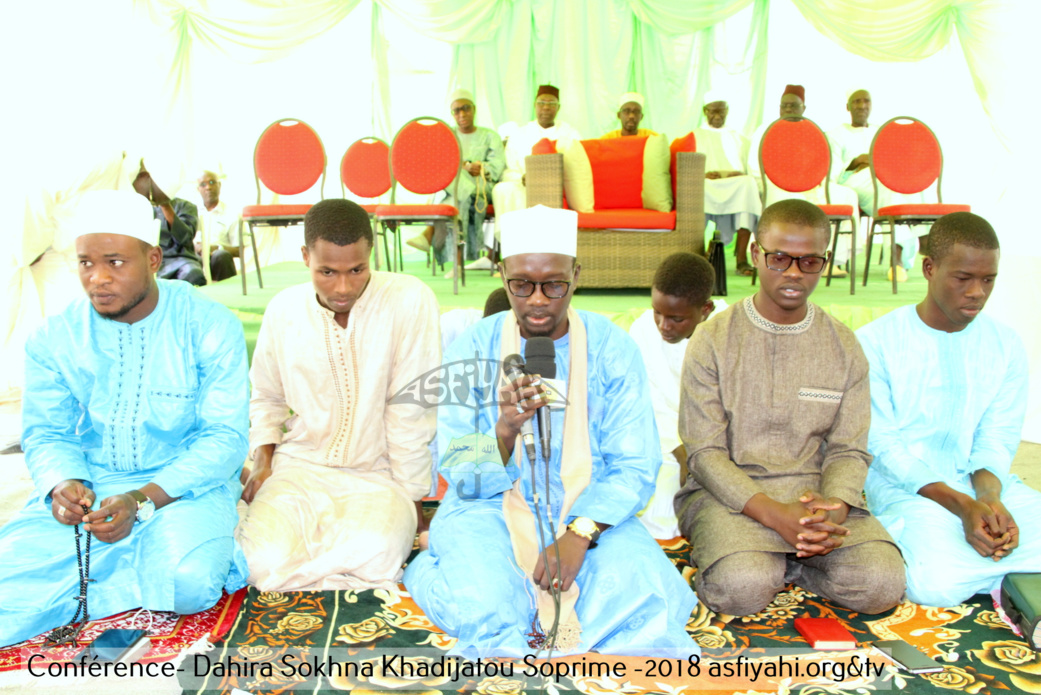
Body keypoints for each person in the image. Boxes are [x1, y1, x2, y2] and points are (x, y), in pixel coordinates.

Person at [404, 205, 698, 659]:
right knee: (490, 609)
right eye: (521, 284)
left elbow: (634, 465)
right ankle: (427, 564)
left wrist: (579, 533)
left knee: (639, 599)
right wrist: (504, 430)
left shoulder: (612, 349)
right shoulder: (474, 347)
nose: (537, 300)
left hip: (591, 507)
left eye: (553, 285)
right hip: (489, 509)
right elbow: (462, 476)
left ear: (576, 276)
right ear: (502, 275)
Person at [0, 189, 249, 647]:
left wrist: (142, 500)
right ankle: (120, 565)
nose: (97, 279)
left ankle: (102, 571)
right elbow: (47, 432)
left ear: (153, 258)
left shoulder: (208, 325)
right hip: (94, 484)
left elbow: (224, 438)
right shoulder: (54, 338)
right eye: (85, 263)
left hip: (181, 488)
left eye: (115, 262)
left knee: (188, 583)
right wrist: (63, 486)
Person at [675, 199, 904, 617]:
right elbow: (704, 453)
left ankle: (793, 566)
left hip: (815, 497)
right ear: (755, 254)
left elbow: (848, 449)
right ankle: (769, 562)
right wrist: (775, 514)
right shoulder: (712, 340)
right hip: (732, 497)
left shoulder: (843, 346)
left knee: (882, 584)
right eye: (779, 258)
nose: (794, 273)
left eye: (809, 261)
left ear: (825, 261)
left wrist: (831, 507)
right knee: (741, 588)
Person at [237, 199, 440, 592]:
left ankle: (308, 568)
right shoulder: (284, 310)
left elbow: (411, 413)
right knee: (254, 559)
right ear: (304, 257)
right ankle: (322, 568)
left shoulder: (409, 300)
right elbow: (265, 396)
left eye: (356, 270)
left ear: (371, 254)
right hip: (299, 467)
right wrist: (264, 461)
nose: (343, 287)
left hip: (379, 474)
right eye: (326, 272)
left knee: (378, 550)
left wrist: (412, 504)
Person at [857, 212, 1040, 607]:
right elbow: (884, 448)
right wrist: (962, 507)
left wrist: (990, 502)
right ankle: (1009, 574)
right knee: (935, 583)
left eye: (988, 280)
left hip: (985, 485)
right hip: (910, 491)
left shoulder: (1005, 344)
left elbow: (998, 435)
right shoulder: (876, 342)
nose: (977, 291)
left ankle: (992, 569)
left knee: (962, 562)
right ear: (929, 267)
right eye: (963, 278)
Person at [629, 253, 724, 539]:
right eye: (657, 312)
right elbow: (644, 401)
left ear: (706, 309)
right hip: (663, 441)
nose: (663, 325)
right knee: (659, 518)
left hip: (721, 447)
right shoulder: (642, 328)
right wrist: (680, 451)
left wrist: (701, 456)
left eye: (676, 318)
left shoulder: (731, 332)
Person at [746, 85, 859, 278]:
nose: (788, 110)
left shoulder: (812, 131)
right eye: (784, 106)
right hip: (777, 185)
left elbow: (824, 165)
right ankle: (781, 259)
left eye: (793, 106)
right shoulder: (766, 131)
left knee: (847, 195)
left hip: (812, 185)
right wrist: (776, 182)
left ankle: (833, 261)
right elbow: (754, 167)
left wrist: (816, 181)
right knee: (785, 199)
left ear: (803, 108)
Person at [826, 89, 926, 282]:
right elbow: (834, 173)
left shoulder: (882, 132)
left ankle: (902, 257)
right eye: (856, 102)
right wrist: (856, 162)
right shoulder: (835, 135)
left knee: (902, 187)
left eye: (866, 101)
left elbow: (900, 160)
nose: (862, 106)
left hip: (884, 179)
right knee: (891, 189)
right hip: (853, 179)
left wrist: (877, 162)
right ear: (848, 107)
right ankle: (899, 259)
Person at [406, 89, 506, 272]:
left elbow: (497, 167)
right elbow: (437, 165)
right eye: (456, 110)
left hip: (482, 190)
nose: (462, 114)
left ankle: (429, 234)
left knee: (456, 193)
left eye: (465, 108)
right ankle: (458, 263)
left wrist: (480, 167)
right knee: (456, 196)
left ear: (474, 109)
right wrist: (463, 165)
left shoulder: (490, 135)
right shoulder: (446, 136)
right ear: (452, 114)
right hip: (457, 193)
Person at [490, 86, 582, 246]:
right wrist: (523, 178)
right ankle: (515, 247)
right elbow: (509, 171)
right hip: (524, 186)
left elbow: (578, 168)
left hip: (559, 190)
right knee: (502, 189)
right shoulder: (519, 134)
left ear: (558, 108)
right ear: (534, 105)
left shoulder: (571, 134)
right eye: (541, 102)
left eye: (551, 103)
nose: (546, 107)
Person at [694, 94, 763, 276]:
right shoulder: (694, 136)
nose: (717, 116)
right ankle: (698, 256)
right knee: (695, 189)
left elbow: (748, 167)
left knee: (748, 185)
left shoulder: (738, 138)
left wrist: (739, 172)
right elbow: (687, 167)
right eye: (713, 111)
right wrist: (702, 174)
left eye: (721, 111)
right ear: (705, 111)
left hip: (735, 185)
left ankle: (741, 259)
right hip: (706, 184)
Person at [131, 160, 206, 286]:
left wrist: (164, 204)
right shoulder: (139, 208)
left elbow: (185, 239)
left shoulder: (186, 206)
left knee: (193, 274)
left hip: (182, 260)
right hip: (152, 262)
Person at [194, 168, 239, 282]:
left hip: (218, 258)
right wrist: (196, 248)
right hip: (195, 256)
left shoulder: (232, 214)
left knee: (221, 256)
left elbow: (239, 249)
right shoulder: (190, 211)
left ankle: (229, 296)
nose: (208, 187)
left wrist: (218, 248)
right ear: (198, 189)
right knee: (189, 262)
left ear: (219, 185)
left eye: (212, 182)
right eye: (203, 184)